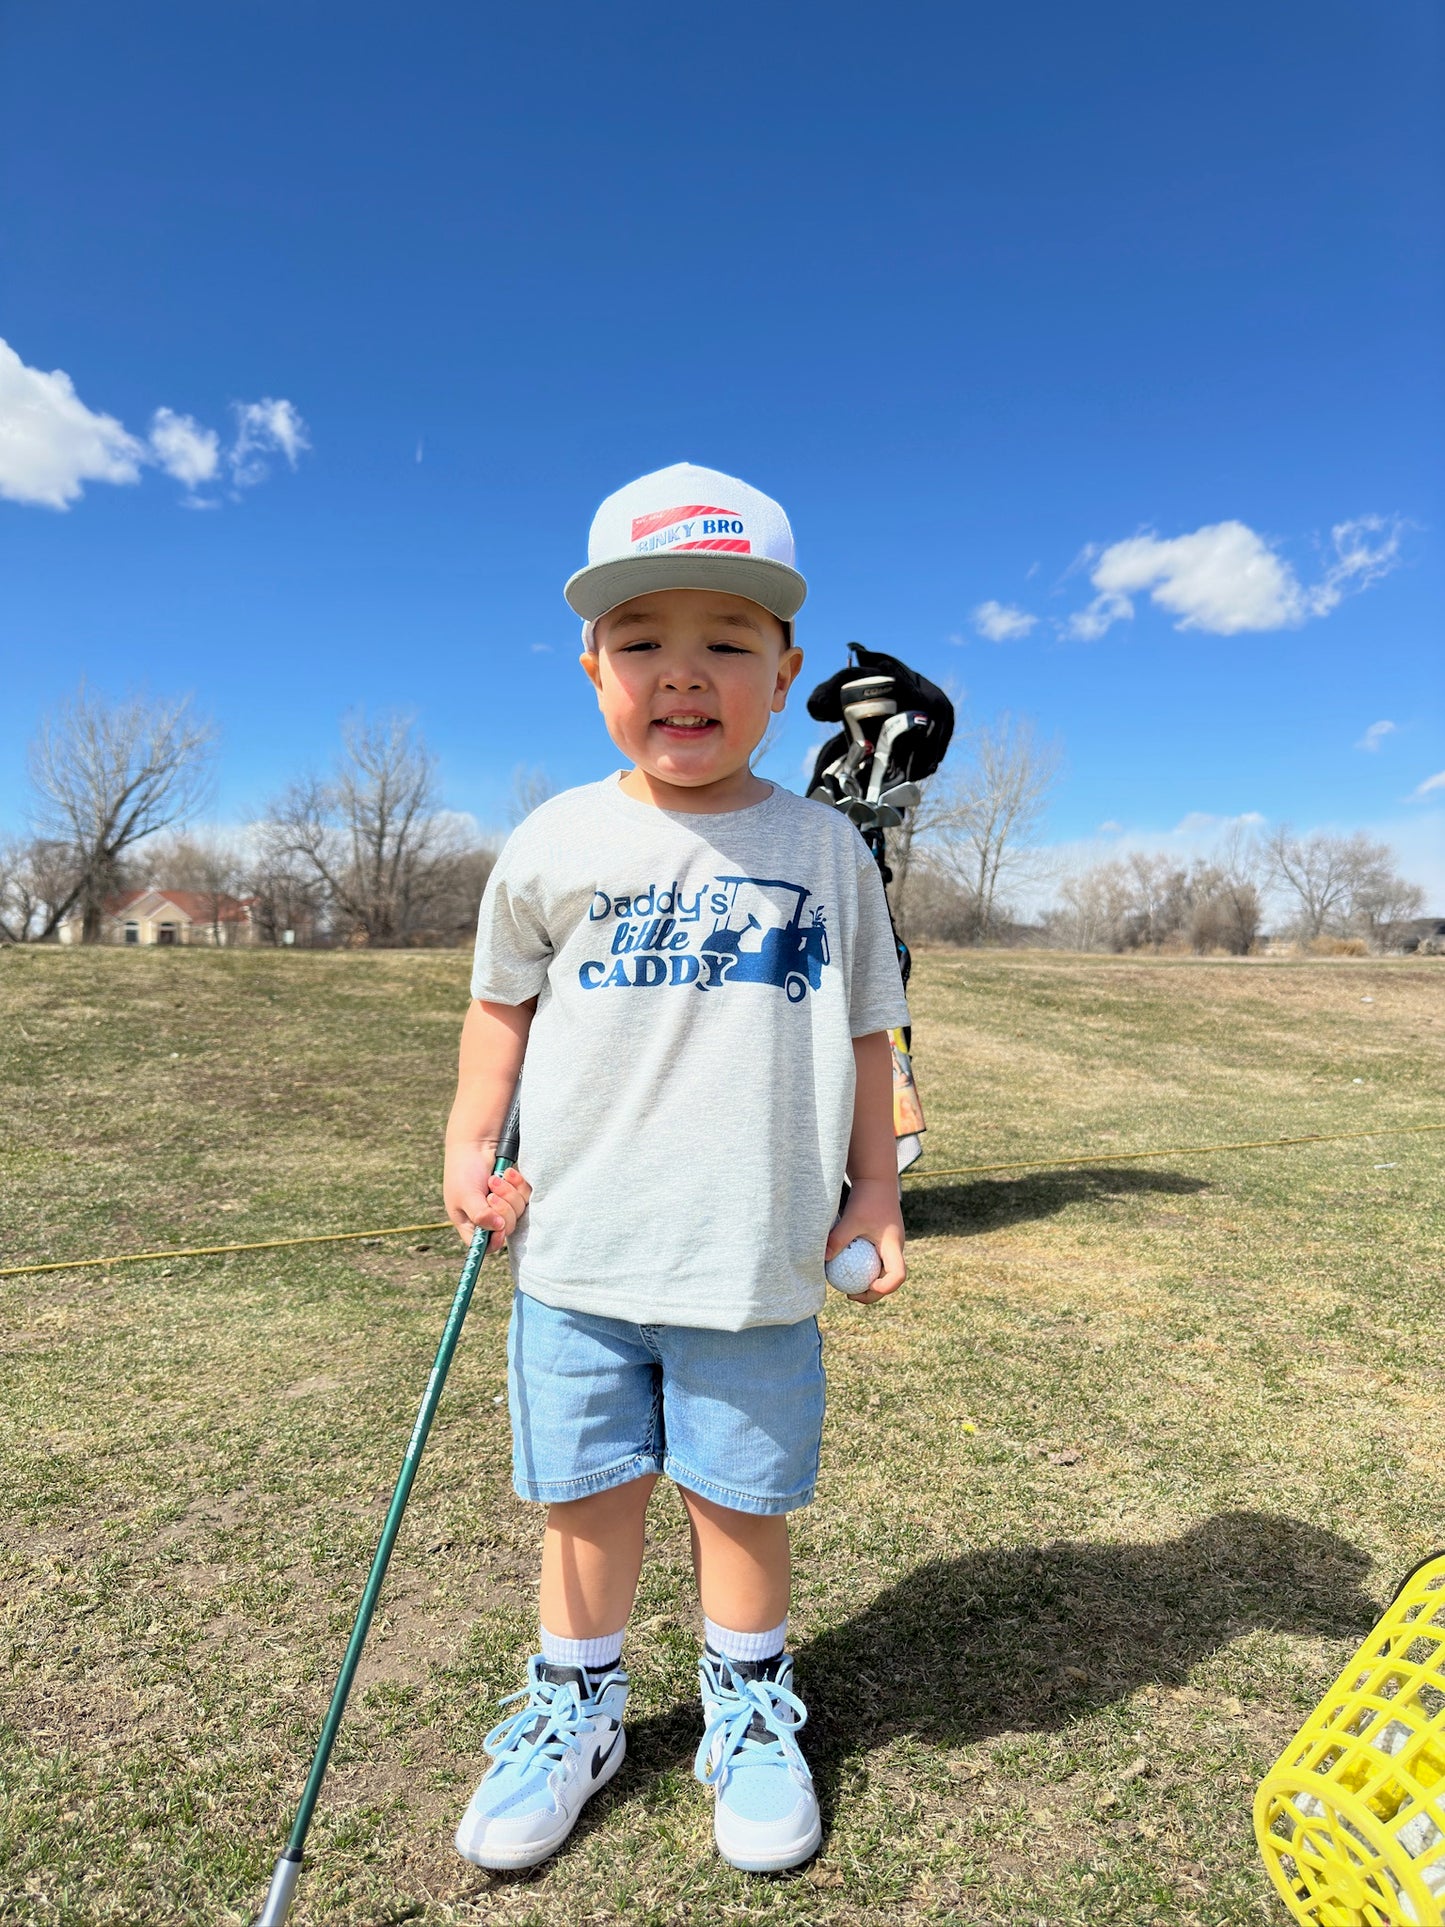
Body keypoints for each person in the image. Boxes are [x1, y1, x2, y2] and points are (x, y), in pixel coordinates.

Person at [442, 461, 909, 1875]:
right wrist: (467, 1142)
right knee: (585, 1499)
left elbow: (869, 1032)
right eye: (641, 640)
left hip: (753, 1261)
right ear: (593, 668)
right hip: (578, 1256)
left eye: (728, 641)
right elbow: (500, 1010)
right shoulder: (555, 839)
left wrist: (877, 1190)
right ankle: (575, 1710)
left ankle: (747, 1707)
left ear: (786, 674)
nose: (684, 672)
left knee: (741, 1499)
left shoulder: (823, 848)